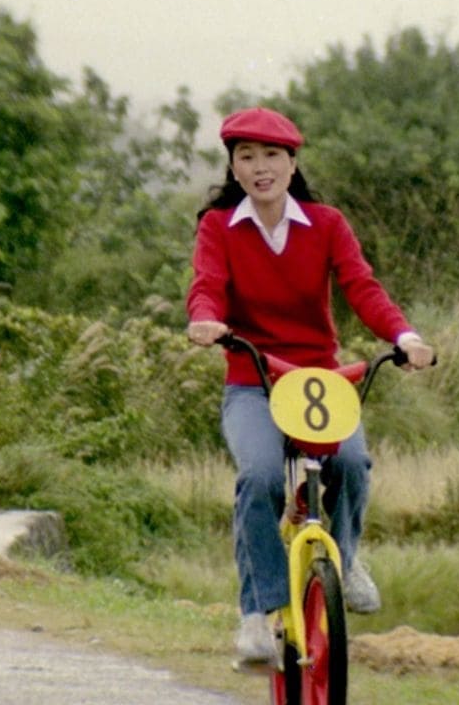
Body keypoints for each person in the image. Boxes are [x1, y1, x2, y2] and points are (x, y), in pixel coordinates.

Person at [185, 106, 434, 665]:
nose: (260, 168)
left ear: (293, 163)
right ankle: (257, 613)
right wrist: (205, 320)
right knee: (259, 476)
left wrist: (406, 337)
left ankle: (344, 558)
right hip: (253, 380)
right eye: (246, 157)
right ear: (233, 167)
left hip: (320, 378)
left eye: (272, 155)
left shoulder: (326, 224)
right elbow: (207, 286)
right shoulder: (219, 227)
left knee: (352, 463)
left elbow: (362, 288)